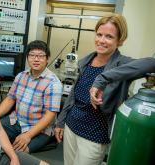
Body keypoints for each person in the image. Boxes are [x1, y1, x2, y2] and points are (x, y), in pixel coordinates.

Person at [54, 13, 155, 165]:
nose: (101, 40)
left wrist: (103, 78)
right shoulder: (85, 61)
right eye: (99, 34)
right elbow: (73, 97)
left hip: (94, 136)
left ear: (120, 40)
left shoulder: (122, 64)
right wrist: (61, 122)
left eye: (109, 36)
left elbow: (152, 63)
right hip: (71, 126)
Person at [0, 40, 62, 153]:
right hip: (16, 121)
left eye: (40, 56)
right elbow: (10, 99)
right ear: (27, 58)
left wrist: (28, 135)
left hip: (39, 130)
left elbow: (50, 115)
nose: (36, 59)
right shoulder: (21, 76)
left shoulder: (53, 83)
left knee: (17, 153)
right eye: (32, 55)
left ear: (47, 59)